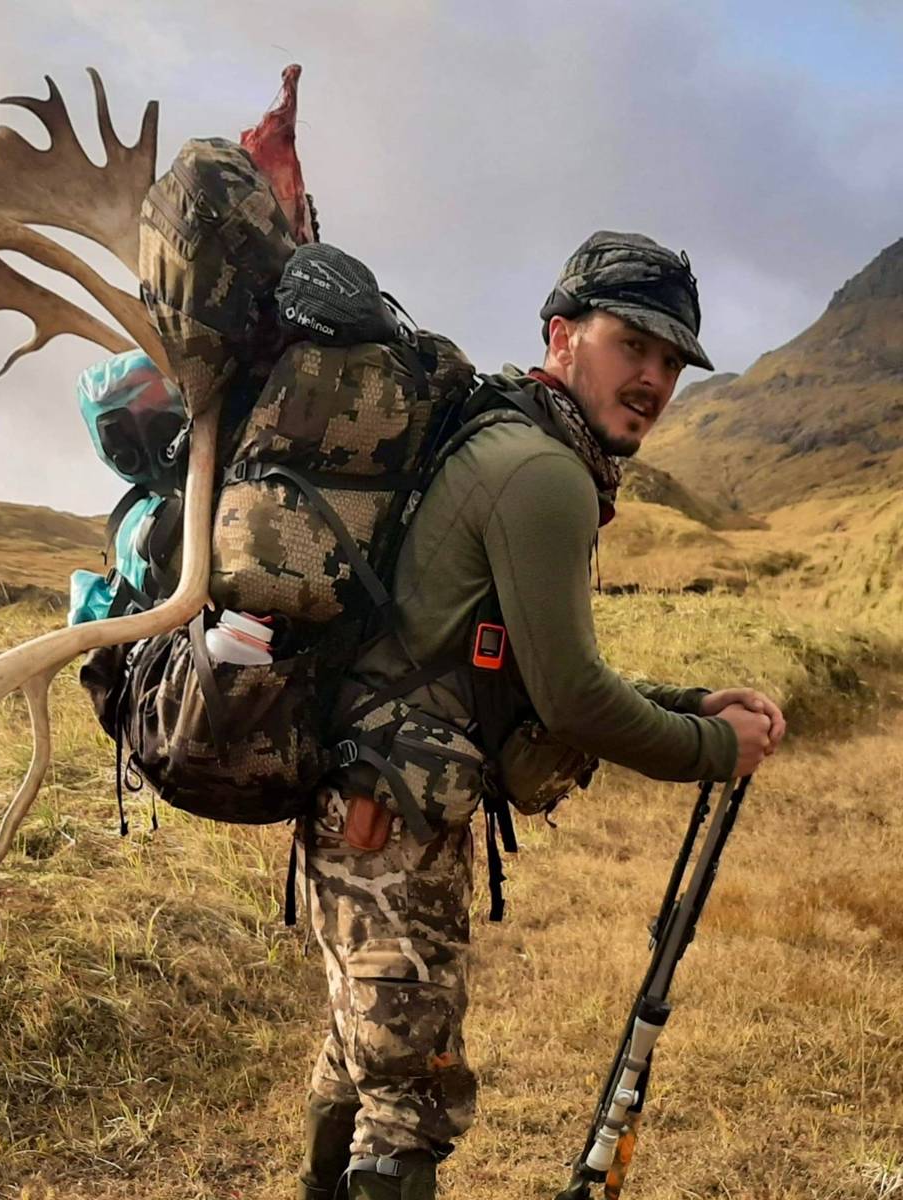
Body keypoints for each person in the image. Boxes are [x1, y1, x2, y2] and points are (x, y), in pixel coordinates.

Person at [294, 232, 787, 1200]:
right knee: (410, 1102)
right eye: (632, 346)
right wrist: (713, 746)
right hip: (390, 822)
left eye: (671, 360)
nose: (653, 376)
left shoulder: (508, 439)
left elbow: (541, 673)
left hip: (358, 802)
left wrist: (687, 703)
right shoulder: (545, 473)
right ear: (562, 335)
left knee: (364, 1060)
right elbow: (572, 701)